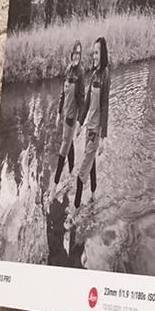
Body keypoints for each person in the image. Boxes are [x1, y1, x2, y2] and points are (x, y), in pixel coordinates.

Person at [76, 37, 109, 209]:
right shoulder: (94, 74)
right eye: (93, 52)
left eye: (96, 52)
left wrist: (103, 137)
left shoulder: (105, 75)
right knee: (92, 164)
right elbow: (88, 101)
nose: (93, 55)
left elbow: (104, 106)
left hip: (96, 133)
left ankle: (73, 212)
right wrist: (79, 123)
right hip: (89, 128)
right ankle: (94, 196)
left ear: (102, 54)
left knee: (81, 174)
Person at [52, 42, 83, 184]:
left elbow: (81, 98)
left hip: (73, 116)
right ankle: (71, 172)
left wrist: (79, 122)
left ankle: (55, 184)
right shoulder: (68, 70)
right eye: (75, 53)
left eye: (79, 53)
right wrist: (59, 112)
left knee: (64, 146)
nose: (77, 56)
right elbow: (62, 94)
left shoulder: (81, 72)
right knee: (69, 144)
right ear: (71, 54)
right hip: (65, 114)